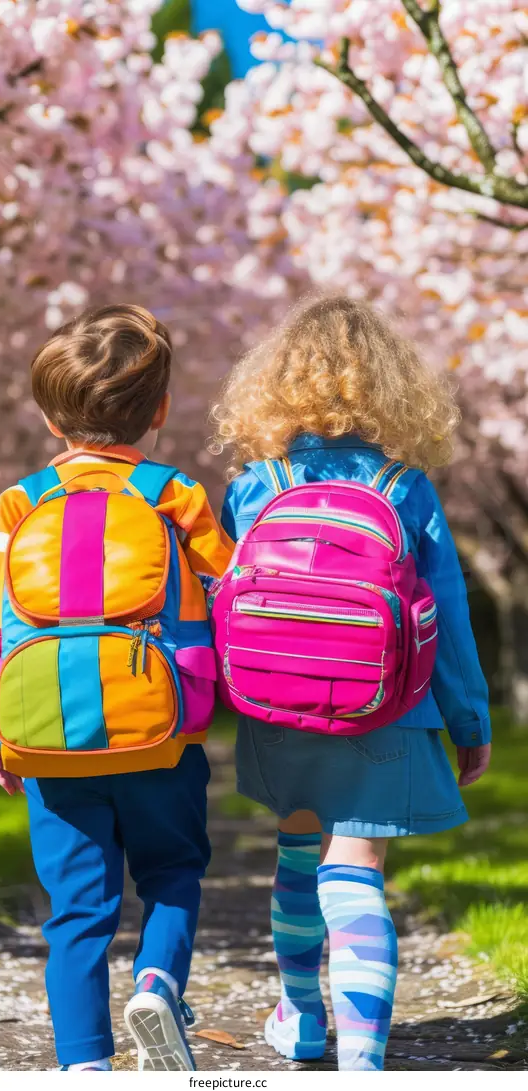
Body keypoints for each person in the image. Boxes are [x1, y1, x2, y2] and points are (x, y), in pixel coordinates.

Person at [214, 296, 491, 1071]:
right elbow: (451, 616)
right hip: (386, 708)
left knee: (298, 852)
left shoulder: (253, 484)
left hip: (276, 705)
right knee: (356, 868)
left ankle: (301, 1018)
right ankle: (362, 1062)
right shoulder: (407, 489)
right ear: (392, 386)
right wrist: (468, 721)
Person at [0, 304, 233, 1072]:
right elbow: (231, 586)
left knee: (76, 911)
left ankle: (83, 1062)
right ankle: (156, 982)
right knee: (174, 872)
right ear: (159, 410)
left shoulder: (21, 505)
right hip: (161, 731)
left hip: (47, 736)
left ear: (52, 419)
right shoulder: (174, 494)